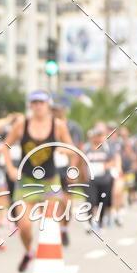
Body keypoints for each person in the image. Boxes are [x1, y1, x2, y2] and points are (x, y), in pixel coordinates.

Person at [2, 91, 74, 272]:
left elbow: (72, 148)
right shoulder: (22, 124)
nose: (38, 106)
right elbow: (5, 145)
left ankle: (52, 257)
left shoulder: (57, 126)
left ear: (48, 105)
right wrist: (10, 168)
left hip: (50, 180)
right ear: (30, 105)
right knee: (24, 225)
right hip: (26, 181)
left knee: (50, 222)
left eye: (41, 103)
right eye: (34, 103)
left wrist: (65, 152)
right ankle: (28, 252)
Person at [52, 102, 84, 246]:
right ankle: (55, 230)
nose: (56, 112)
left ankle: (64, 228)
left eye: (58, 110)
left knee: (66, 202)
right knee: (52, 201)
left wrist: (73, 170)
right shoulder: (46, 126)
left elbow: (76, 150)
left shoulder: (73, 127)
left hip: (66, 168)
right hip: (50, 169)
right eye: (53, 110)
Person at [84, 124, 118, 230]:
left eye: (100, 135)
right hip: (90, 180)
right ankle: (90, 223)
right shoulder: (86, 148)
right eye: (96, 135)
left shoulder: (107, 148)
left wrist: (104, 166)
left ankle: (100, 222)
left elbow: (113, 161)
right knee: (91, 200)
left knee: (102, 202)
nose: (98, 138)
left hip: (104, 180)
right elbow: (81, 161)